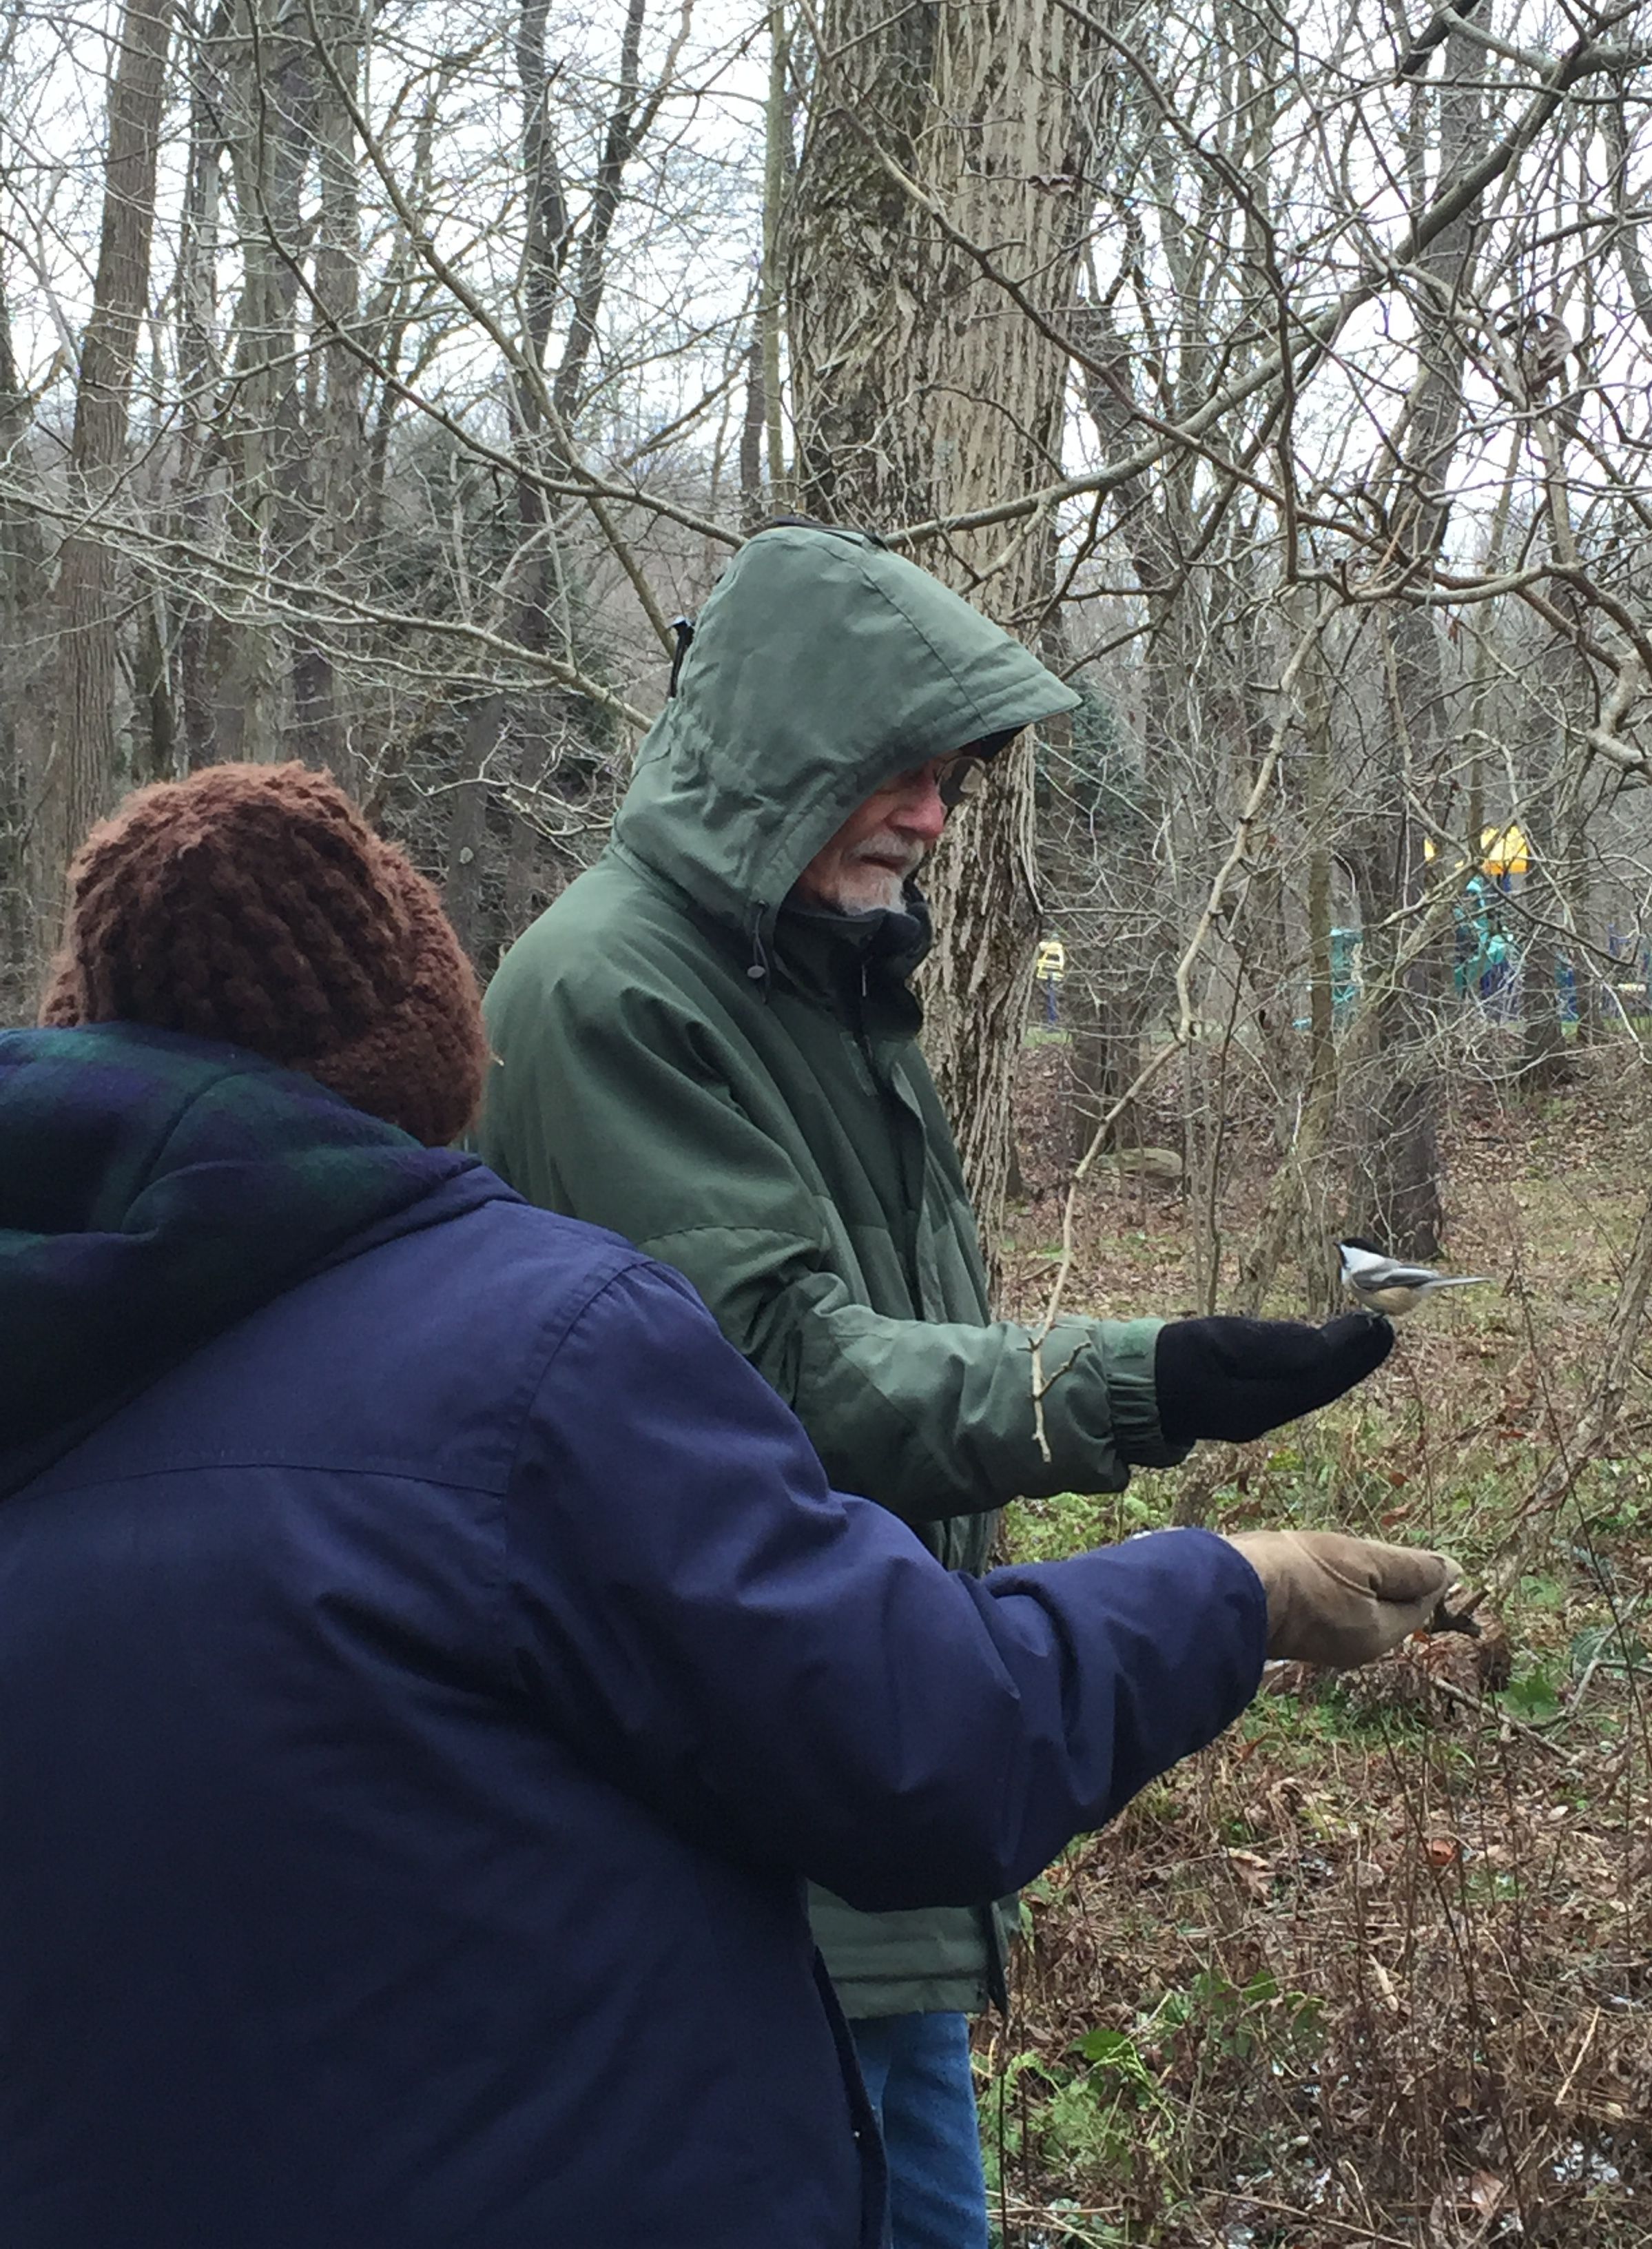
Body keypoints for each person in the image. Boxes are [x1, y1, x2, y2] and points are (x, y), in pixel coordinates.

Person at [0, 761, 1453, 2249]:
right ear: (428, 1049)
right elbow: (923, 1736)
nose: (930, 814)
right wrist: (1237, 1584)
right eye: (897, 774)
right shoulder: (533, 1346)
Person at [476, 522, 1405, 2247]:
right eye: (890, 770)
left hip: (851, 1789)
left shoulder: (812, 982)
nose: (928, 814)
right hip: (742, 1832)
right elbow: (779, 1377)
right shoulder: (615, 994)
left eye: (948, 780)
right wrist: (1151, 1381)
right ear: (776, 749)